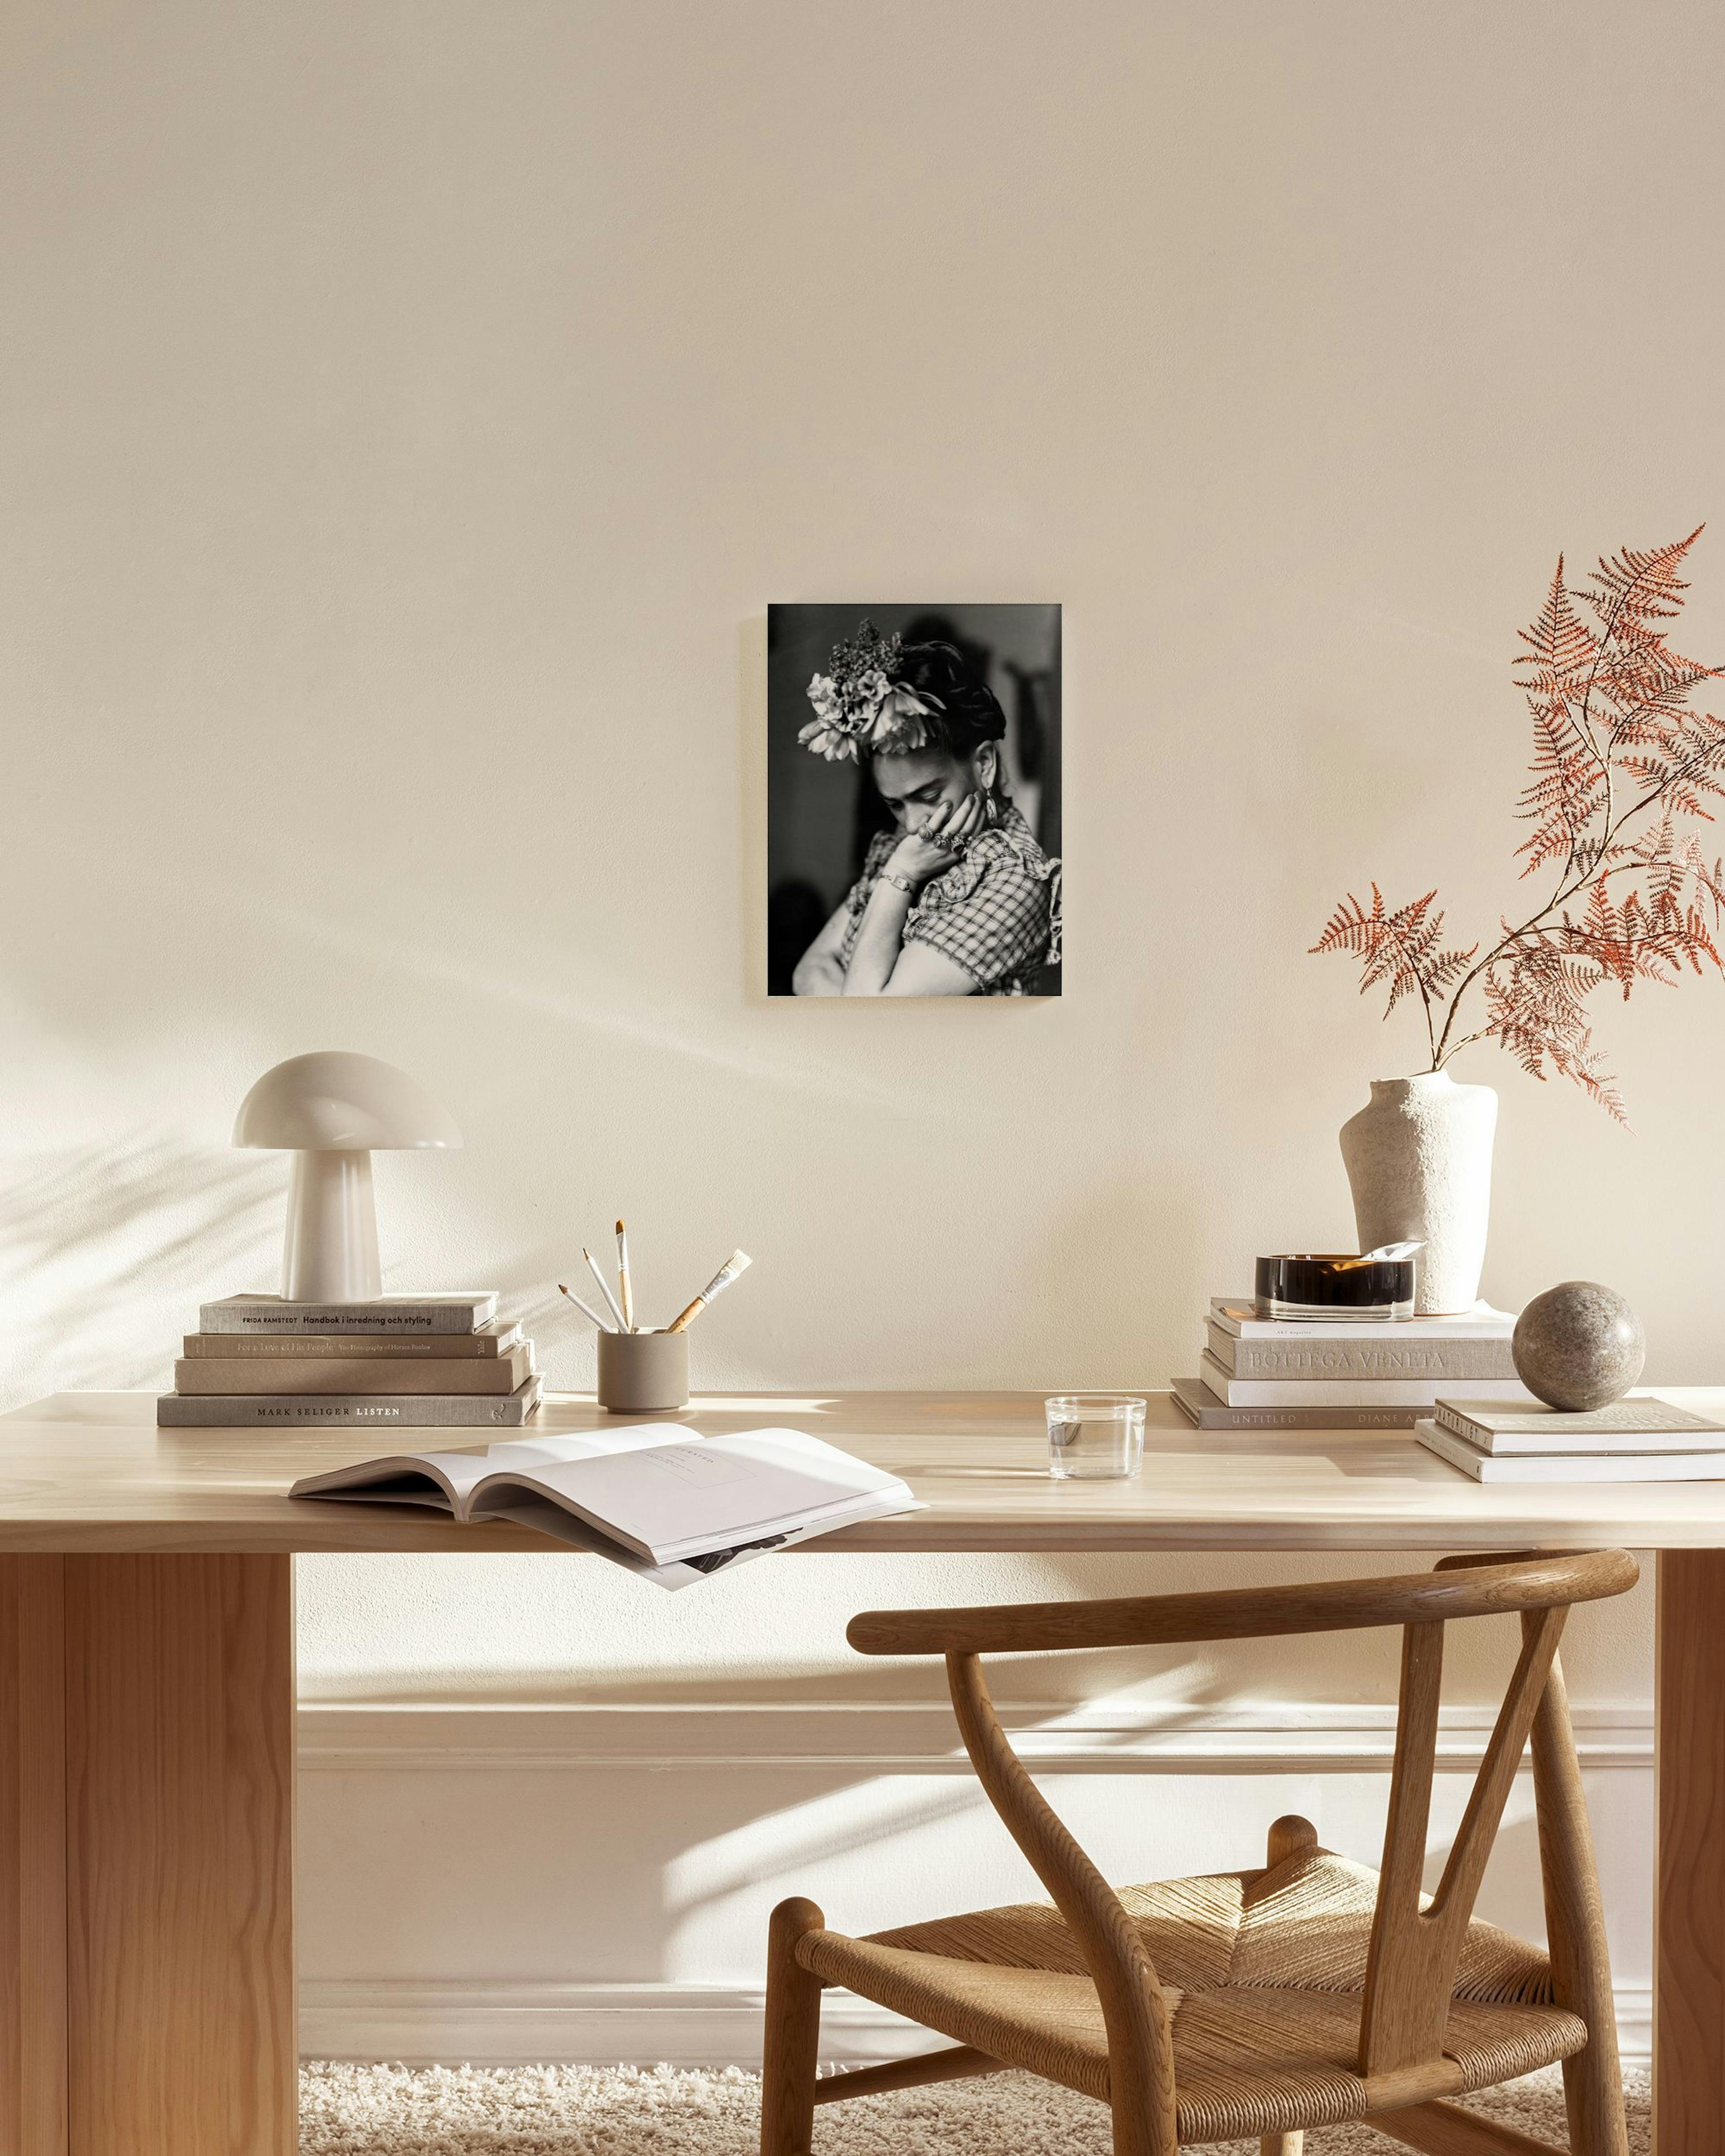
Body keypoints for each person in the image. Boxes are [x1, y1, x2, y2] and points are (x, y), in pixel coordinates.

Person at [791, 623, 1060, 997]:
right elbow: (808, 970)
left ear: (983, 764)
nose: (914, 825)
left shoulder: (1016, 882)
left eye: (929, 795)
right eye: (895, 805)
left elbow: (871, 1023)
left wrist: (901, 873)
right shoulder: (901, 847)